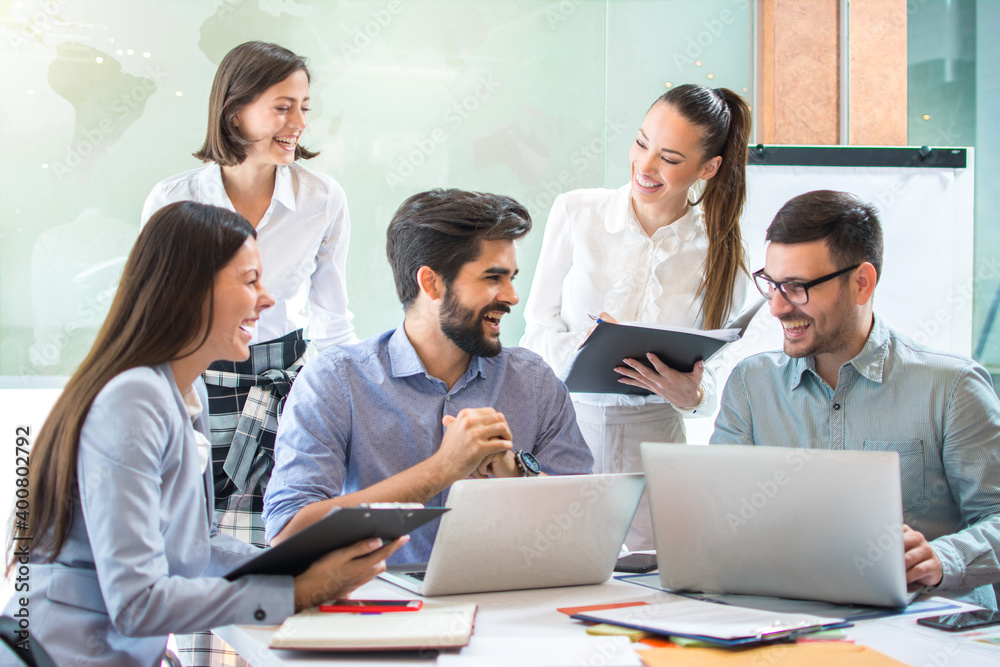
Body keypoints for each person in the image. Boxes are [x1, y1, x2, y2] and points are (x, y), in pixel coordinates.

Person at [2, 202, 403, 666]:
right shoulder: (133, 398)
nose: (268, 298)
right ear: (190, 289)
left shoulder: (184, 393)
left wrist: (297, 567)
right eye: (251, 280)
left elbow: (200, 547)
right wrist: (292, 592)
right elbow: (137, 604)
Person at [263, 189, 595, 563]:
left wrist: (517, 476)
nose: (512, 296)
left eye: (512, 278)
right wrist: (443, 469)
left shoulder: (534, 382)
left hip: (508, 609)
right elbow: (288, 534)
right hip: (379, 614)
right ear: (431, 283)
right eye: (493, 278)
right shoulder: (336, 381)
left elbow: (588, 525)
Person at [712, 190, 1000, 609]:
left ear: (862, 283)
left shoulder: (952, 386)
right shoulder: (750, 385)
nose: (775, 308)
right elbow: (717, 516)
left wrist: (943, 557)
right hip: (788, 622)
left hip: (927, 629)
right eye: (772, 285)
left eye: (797, 287)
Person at [520, 84, 751, 549]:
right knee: (556, 571)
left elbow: (724, 359)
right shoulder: (576, 211)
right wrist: (588, 347)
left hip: (658, 443)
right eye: (642, 142)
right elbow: (536, 330)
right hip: (566, 429)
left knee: (657, 588)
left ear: (708, 168)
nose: (644, 167)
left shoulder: (723, 249)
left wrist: (694, 394)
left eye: (669, 158)